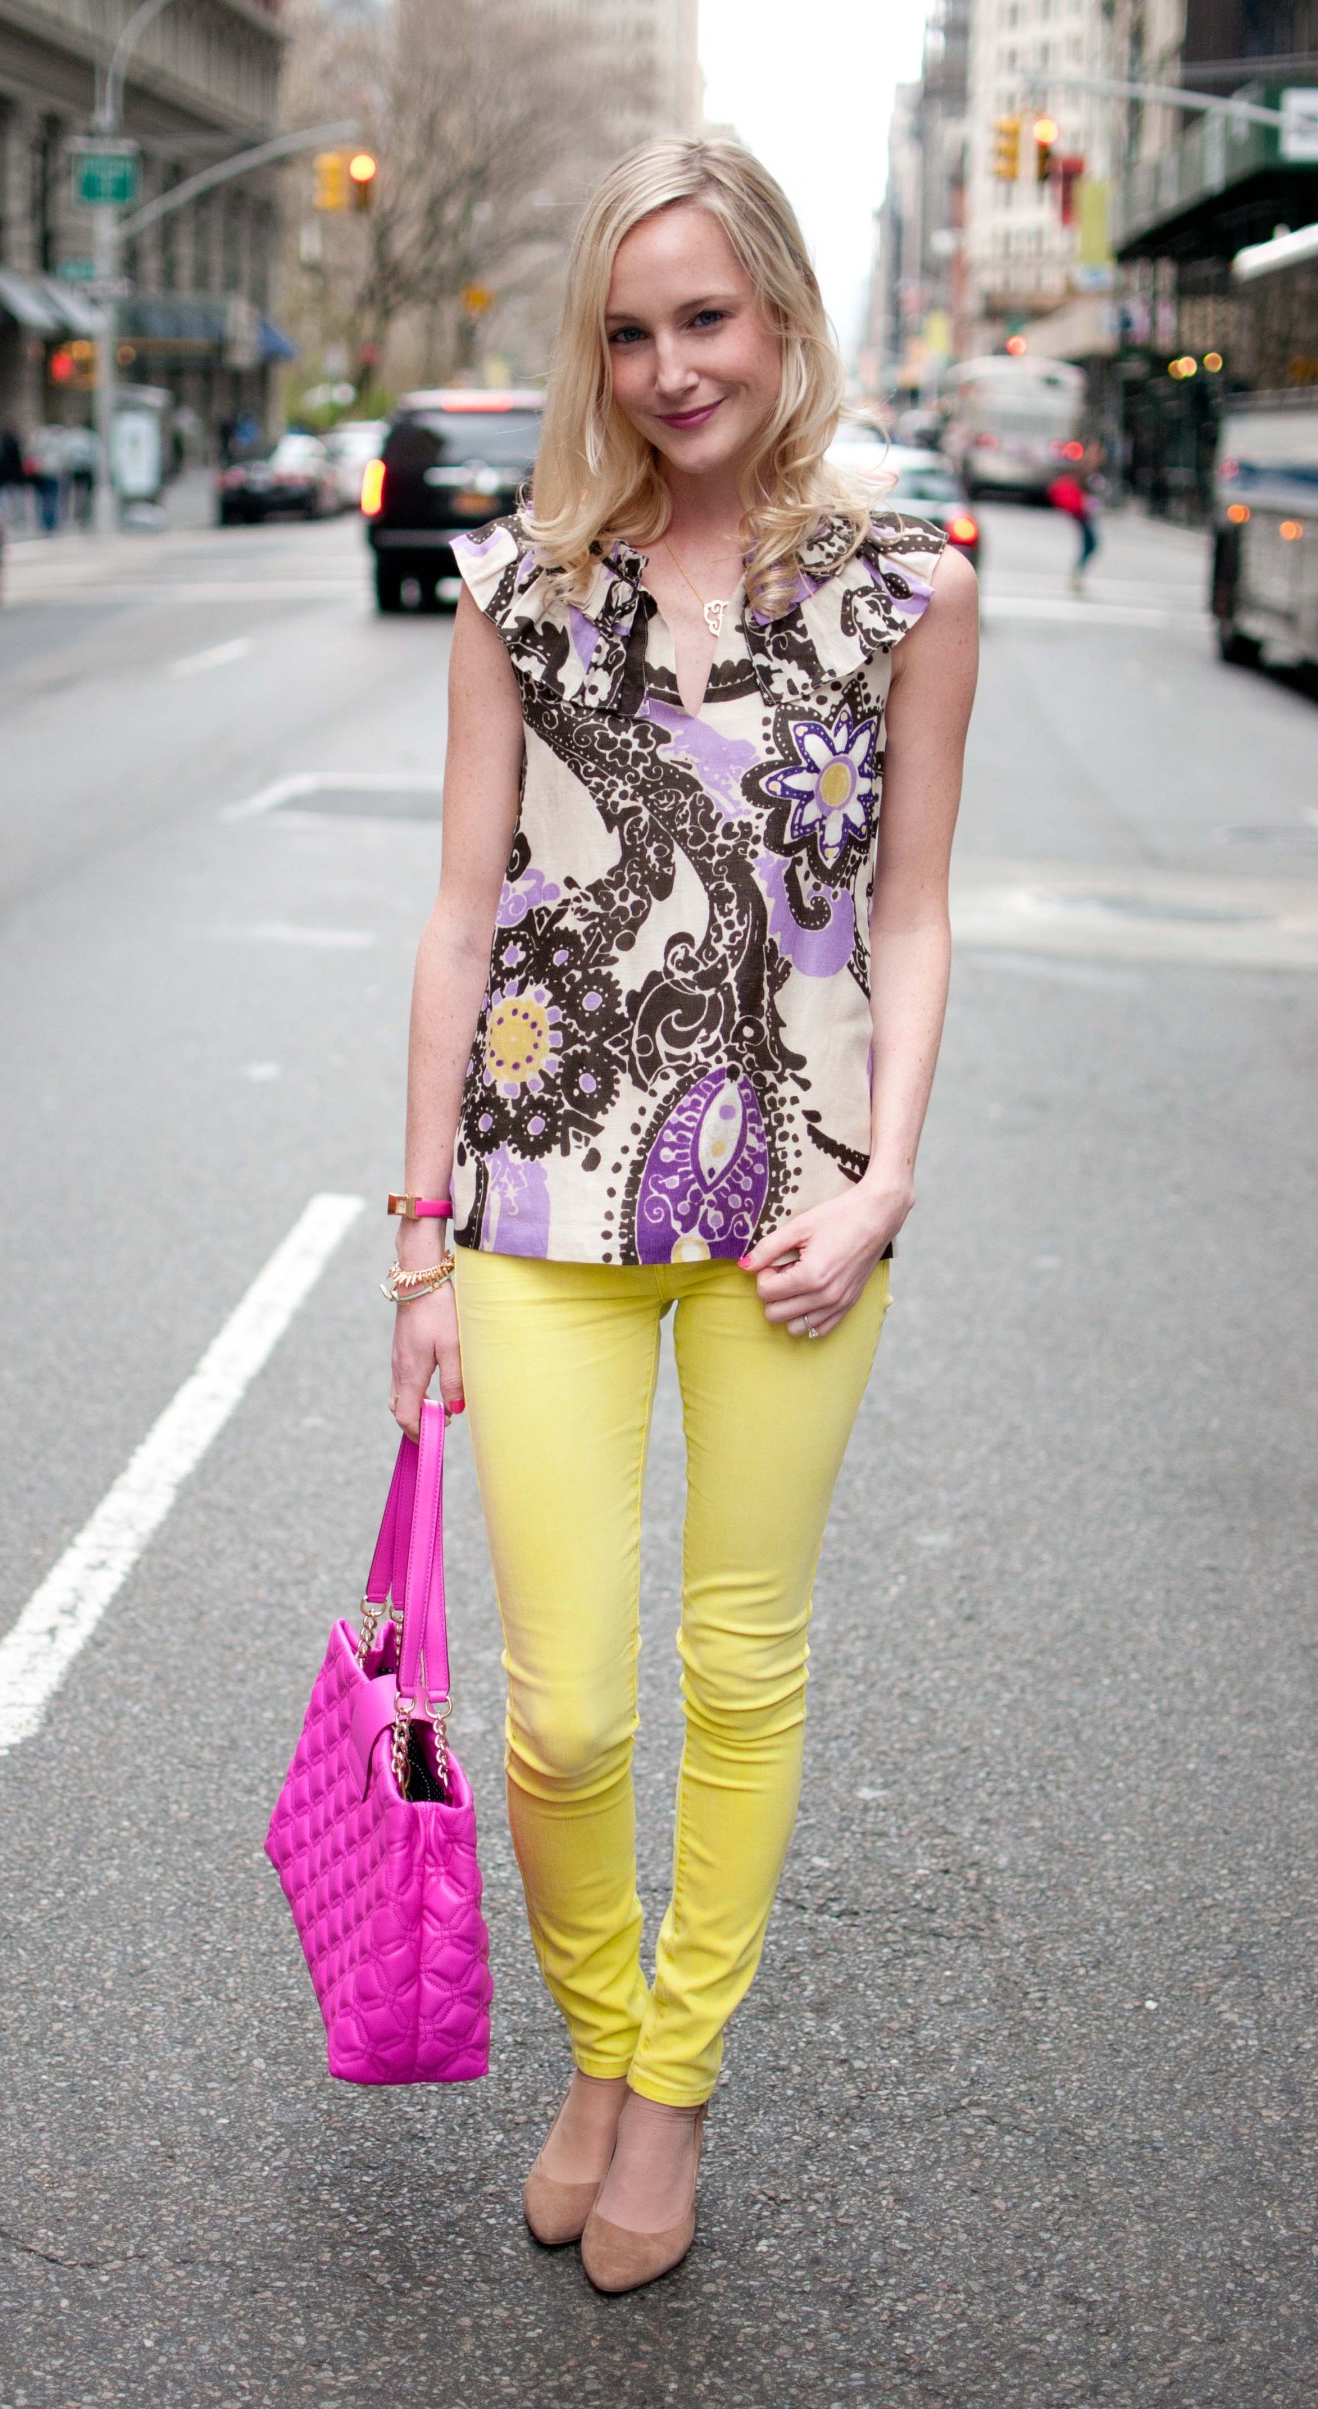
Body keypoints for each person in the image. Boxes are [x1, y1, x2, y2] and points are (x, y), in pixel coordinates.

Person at [388, 138, 977, 2295]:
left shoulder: (912, 583)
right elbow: (462, 911)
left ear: (783, 315)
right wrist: (418, 1240)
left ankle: (671, 2083)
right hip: (539, 1191)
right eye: (627, 332)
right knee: (561, 1710)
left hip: (799, 1210)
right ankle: (596, 2038)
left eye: (703, 320)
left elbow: (906, 911)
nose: (666, 369)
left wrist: (888, 1173)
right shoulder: (514, 585)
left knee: (736, 1665)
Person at [1048, 459, 1099, 586]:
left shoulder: (1087, 474)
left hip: (1084, 513)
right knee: (1091, 544)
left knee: (1091, 544)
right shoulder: (1083, 474)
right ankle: (1078, 572)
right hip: (1082, 514)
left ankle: (1078, 572)